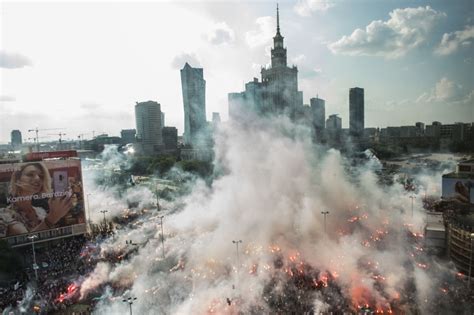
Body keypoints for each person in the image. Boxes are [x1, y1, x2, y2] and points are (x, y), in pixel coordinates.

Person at [0, 162, 72, 237]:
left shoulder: (40, 212)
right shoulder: (5, 215)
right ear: (17, 180)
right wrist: (52, 218)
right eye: (30, 174)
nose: (38, 178)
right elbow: (26, 241)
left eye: (41, 176)